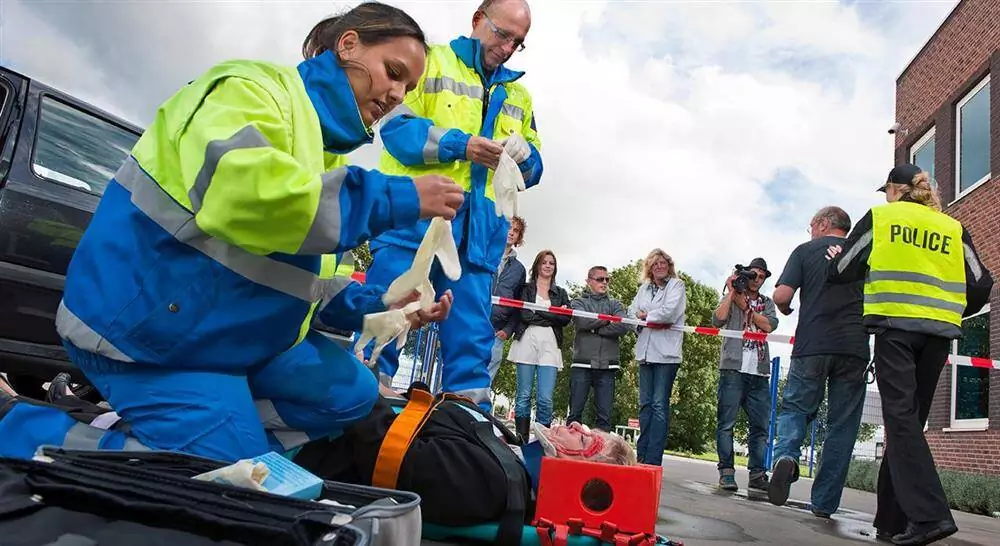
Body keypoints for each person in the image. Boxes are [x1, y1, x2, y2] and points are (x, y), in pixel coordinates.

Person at [52, 2, 464, 463]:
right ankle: (39, 436)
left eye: (407, 87)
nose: (397, 94)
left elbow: (307, 290)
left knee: (353, 392)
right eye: (393, 71)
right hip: (149, 336)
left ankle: (200, 430)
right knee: (236, 488)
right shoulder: (249, 89)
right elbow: (248, 197)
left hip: (222, 338)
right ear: (348, 44)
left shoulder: (329, 157)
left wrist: (386, 306)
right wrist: (398, 198)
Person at [363, 0, 544, 410]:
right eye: (503, 34)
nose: (509, 47)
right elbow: (396, 129)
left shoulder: (520, 96)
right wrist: (462, 146)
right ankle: (362, 414)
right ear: (478, 20)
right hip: (413, 222)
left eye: (519, 42)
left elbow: (535, 170)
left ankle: (466, 429)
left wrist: (524, 156)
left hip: (477, 239)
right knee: (386, 319)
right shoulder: (429, 62)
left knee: (471, 346)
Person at [827, 164, 993, 546]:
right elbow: (982, 284)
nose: (884, 196)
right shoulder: (952, 227)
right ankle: (891, 520)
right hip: (937, 336)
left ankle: (931, 516)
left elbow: (843, 269)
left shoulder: (882, 218)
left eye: (886, 190)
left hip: (896, 330)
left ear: (897, 190)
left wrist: (835, 256)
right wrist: (947, 312)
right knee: (906, 425)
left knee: (900, 421)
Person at [769, 206, 870, 517]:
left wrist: (786, 312)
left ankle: (786, 456)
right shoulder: (864, 251)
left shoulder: (805, 251)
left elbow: (781, 296)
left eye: (812, 225)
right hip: (854, 346)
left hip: (813, 343)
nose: (810, 231)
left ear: (824, 223)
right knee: (842, 424)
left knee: (796, 408)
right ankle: (825, 503)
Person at [712, 258, 778, 492]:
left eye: (761, 277)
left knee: (760, 426)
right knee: (726, 423)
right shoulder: (733, 296)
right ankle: (726, 473)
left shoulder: (767, 303)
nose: (756, 280)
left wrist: (745, 307)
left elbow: (769, 325)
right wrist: (731, 293)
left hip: (759, 371)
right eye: (752, 275)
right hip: (733, 368)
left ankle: (758, 474)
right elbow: (718, 319)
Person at [628, 249, 687, 466]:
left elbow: (669, 313)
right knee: (645, 405)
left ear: (669, 265)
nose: (659, 266)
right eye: (655, 264)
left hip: (666, 355)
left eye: (663, 263)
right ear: (649, 268)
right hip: (645, 352)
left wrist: (646, 316)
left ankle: (653, 458)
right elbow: (630, 312)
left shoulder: (677, 286)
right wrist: (643, 319)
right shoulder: (643, 289)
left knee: (659, 405)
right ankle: (641, 454)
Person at [508, 250, 570, 440]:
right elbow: (525, 315)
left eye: (551, 263)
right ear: (537, 265)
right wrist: (553, 315)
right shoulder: (525, 289)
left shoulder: (561, 293)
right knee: (523, 395)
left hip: (550, 345)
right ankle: (521, 440)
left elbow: (564, 319)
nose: (548, 266)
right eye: (544, 262)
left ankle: (542, 441)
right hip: (526, 340)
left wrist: (540, 312)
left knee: (545, 398)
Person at [567, 266, 630, 432]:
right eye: (600, 279)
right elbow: (581, 322)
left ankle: (601, 452)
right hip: (582, 363)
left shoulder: (615, 303)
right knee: (575, 414)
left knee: (604, 417)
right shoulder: (578, 302)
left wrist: (595, 328)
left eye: (607, 279)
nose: (604, 282)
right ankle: (569, 452)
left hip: (608, 365)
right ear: (589, 282)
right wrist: (607, 321)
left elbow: (624, 325)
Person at [487, 216, 528, 383]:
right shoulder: (482, 255)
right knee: (461, 372)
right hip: (473, 325)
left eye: (516, 230)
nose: (511, 232)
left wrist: (508, 330)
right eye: (508, 227)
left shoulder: (519, 270)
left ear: (519, 237)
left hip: (497, 332)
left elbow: (519, 305)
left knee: (485, 381)